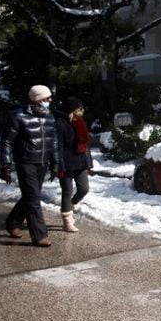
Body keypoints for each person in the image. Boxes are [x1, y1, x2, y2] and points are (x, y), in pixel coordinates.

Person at [0, 84, 61, 247]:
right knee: (33, 198)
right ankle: (40, 235)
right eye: (47, 98)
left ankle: (13, 222)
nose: (50, 101)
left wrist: (55, 162)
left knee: (30, 195)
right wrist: (5, 164)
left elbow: (53, 141)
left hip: (42, 162)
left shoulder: (50, 117)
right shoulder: (18, 116)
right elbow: (6, 142)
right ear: (38, 99)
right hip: (25, 162)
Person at [54, 96, 92, 233]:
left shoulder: (79, 121)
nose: (82, 110)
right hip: (66, 162)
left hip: (81, 162)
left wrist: (89, 164)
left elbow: (85, 145)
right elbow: (57, 146)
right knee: (67, 191)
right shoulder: (60, 122)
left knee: (84, 189)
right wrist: (59, 165)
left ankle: (71, 204)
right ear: (71, 109)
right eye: (79, 108)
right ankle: (67, 221)